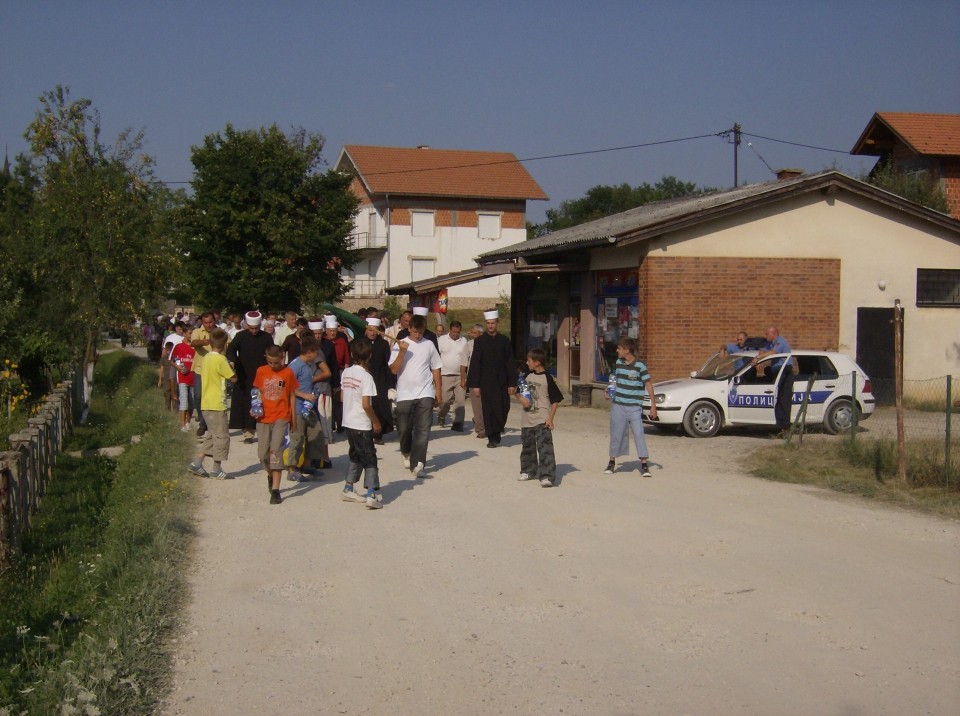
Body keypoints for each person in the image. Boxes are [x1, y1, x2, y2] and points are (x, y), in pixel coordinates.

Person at [390, 313, 442, 478]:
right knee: (404, 428)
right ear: (409, 329)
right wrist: (402, 352)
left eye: (420, 332)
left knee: (423, 428)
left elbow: (436, 368)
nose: (418, 335)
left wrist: (438, 392)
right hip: (405, 393)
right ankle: (406, 451)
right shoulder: (400, 344)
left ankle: (418, 463)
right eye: (414, 332)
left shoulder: (429, 345)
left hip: (425, 391)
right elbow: (393, 370)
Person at [339, 339, 384, 509]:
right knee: (369, 456)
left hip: (348, 420)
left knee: (356, 454)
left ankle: (348, 487)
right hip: (361, 423)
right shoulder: (367, 377)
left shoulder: (346, 373)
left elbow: (343, 396)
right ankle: (371, 492)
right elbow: (366, 404)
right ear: (370, 355)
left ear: (352, 354)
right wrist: (376, 421)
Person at [604, 336, 657, 477]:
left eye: (619, 348)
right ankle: (611, 462)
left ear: (627, 350)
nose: (617, 350)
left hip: (634, 406)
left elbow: (649, 385)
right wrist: (609, 390)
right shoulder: (619, 363)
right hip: (619, 405)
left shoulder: (640, 366)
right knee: (616, 433)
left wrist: (653, 406)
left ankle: (644, 464)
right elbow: (615, 378)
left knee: (639, 433)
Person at [189, 328, 237, 480]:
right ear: (224, 345)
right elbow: (233, 378)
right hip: (217, 403)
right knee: (222, 437)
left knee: (213, 434)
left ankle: (197, 463)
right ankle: (216, 468)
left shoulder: (207, 358)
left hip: (206, 402)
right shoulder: (221, 360)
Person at [252, 345, 297, 504]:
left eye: (276, 363)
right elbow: (256, 391)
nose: (273, 366)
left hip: (281, 416)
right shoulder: (261, 371)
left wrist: (293, 420)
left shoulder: (288, 373)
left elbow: (292, 395)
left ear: (282, 359)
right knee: (263, 454)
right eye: (270, 362)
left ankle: (276, 490)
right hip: (263, 417)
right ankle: (270, 475)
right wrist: (254, 407)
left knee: (275, 451)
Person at [466, 309, 515, 448]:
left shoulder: (504, 341)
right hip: (486, 382)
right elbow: (475, 363)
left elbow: (510, 362)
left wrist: (512, 383)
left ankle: (498, 430)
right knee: (488, 409)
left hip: (502, 381)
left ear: (497, 323)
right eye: (488, 323)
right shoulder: (480, 341)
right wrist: (475, 385)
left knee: (503, 408)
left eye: (493, 323)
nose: (490, 326)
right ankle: (492, 437)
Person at [517, 348, 564, 487]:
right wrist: (521, 399)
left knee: (545, 448)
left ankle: (547, 476)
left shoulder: (547, 378)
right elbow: (517, 392)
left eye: (529, 360)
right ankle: (528, 470)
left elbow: (555, 400)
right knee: (527, 446)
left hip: (542, 418)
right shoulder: (526, 376)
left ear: (537, 362)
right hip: (527, 419)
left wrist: (550, 418)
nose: (527, 362)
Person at [227, 311, 275, 443]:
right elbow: (231, 350)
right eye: (251, 328)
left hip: (262, 375)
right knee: (246, 403)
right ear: (247, 325)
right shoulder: (240, 336)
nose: (254, 331)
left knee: (262, 401)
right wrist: (233, 362)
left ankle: (264, 429)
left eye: (256, 328)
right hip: (244, 374)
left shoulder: (266, 337)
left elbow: (272, 352)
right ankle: (248, 432)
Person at [285, 335, 327, 482]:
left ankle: (307, 464)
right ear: (309, 352)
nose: (317, 357)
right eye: (316, 353)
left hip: (308, 407)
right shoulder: (294, 366)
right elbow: (288, 387)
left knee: (316, 434)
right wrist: (304, 395)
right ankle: (292, 468)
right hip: (297, 408)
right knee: (297, 438)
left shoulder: (308, 365)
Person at [355, 317, 394, 443]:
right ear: (366, 330)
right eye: (370, 330)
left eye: (375, 330)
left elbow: (387, 364)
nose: (372, 333)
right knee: (365, 405)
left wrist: (391, 384)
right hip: (363, 377)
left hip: (379, 379)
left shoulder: (383, 344)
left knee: (380, 406)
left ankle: (378, 434)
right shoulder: (360, 343)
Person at [753, 326, 794, 432]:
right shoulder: (771, 344)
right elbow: (764, 351)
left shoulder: (781, 342)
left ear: (773, 333)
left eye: (767, 334)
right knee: (778, 399)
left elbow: (772, 353)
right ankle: (780, 426)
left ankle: (785, 427)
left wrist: (759, 358)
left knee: (783, 399)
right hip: (777, 372)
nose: (766, 336)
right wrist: (757, 359)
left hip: (785, 371)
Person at [436, 320, 467, 431]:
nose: (455, 334)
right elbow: (436, 356)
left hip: (460, 376)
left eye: (457, 332)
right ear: (449, 330)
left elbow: (465, 358)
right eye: (453, 332)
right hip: (445, 375)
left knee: (460, 401)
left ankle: (458, 423)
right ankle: (442, 414)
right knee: (444, 401)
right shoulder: (441, 340)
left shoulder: (463, 341)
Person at [190, 311, 218, 437]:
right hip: (200, 369)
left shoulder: (220, 332)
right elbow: (193, 343)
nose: (208, 325)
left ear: (215, 321)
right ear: (202, 322)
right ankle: (202, 423)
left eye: (210, 322)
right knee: (198, 395)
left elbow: (228, 344)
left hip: (216, 370)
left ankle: (213, 424)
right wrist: (204, 342)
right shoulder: (198, 331)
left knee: (214, 398)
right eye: (206, 322)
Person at [325, 319, 351, 433]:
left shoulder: (342, 341)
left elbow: (346, 360)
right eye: (330, 331)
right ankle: (330, 424)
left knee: (339, 399)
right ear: (326, 331)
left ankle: (340, 424)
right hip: (327, 371)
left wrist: (345, 374)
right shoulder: (324, 342)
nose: (332, 333)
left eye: (334, 331)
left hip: (340, 371)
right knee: (328, 399)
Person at [171, 325, 197, 432]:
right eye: (190, 333)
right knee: (184, 400)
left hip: (193, 377)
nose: (191, 335)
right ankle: (182, 424)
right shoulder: (179, 346)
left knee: (191, 401)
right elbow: (173, 360)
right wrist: (179, 367)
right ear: (185, 333)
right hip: (183, 378)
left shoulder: (195, 347)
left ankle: (188, 422)